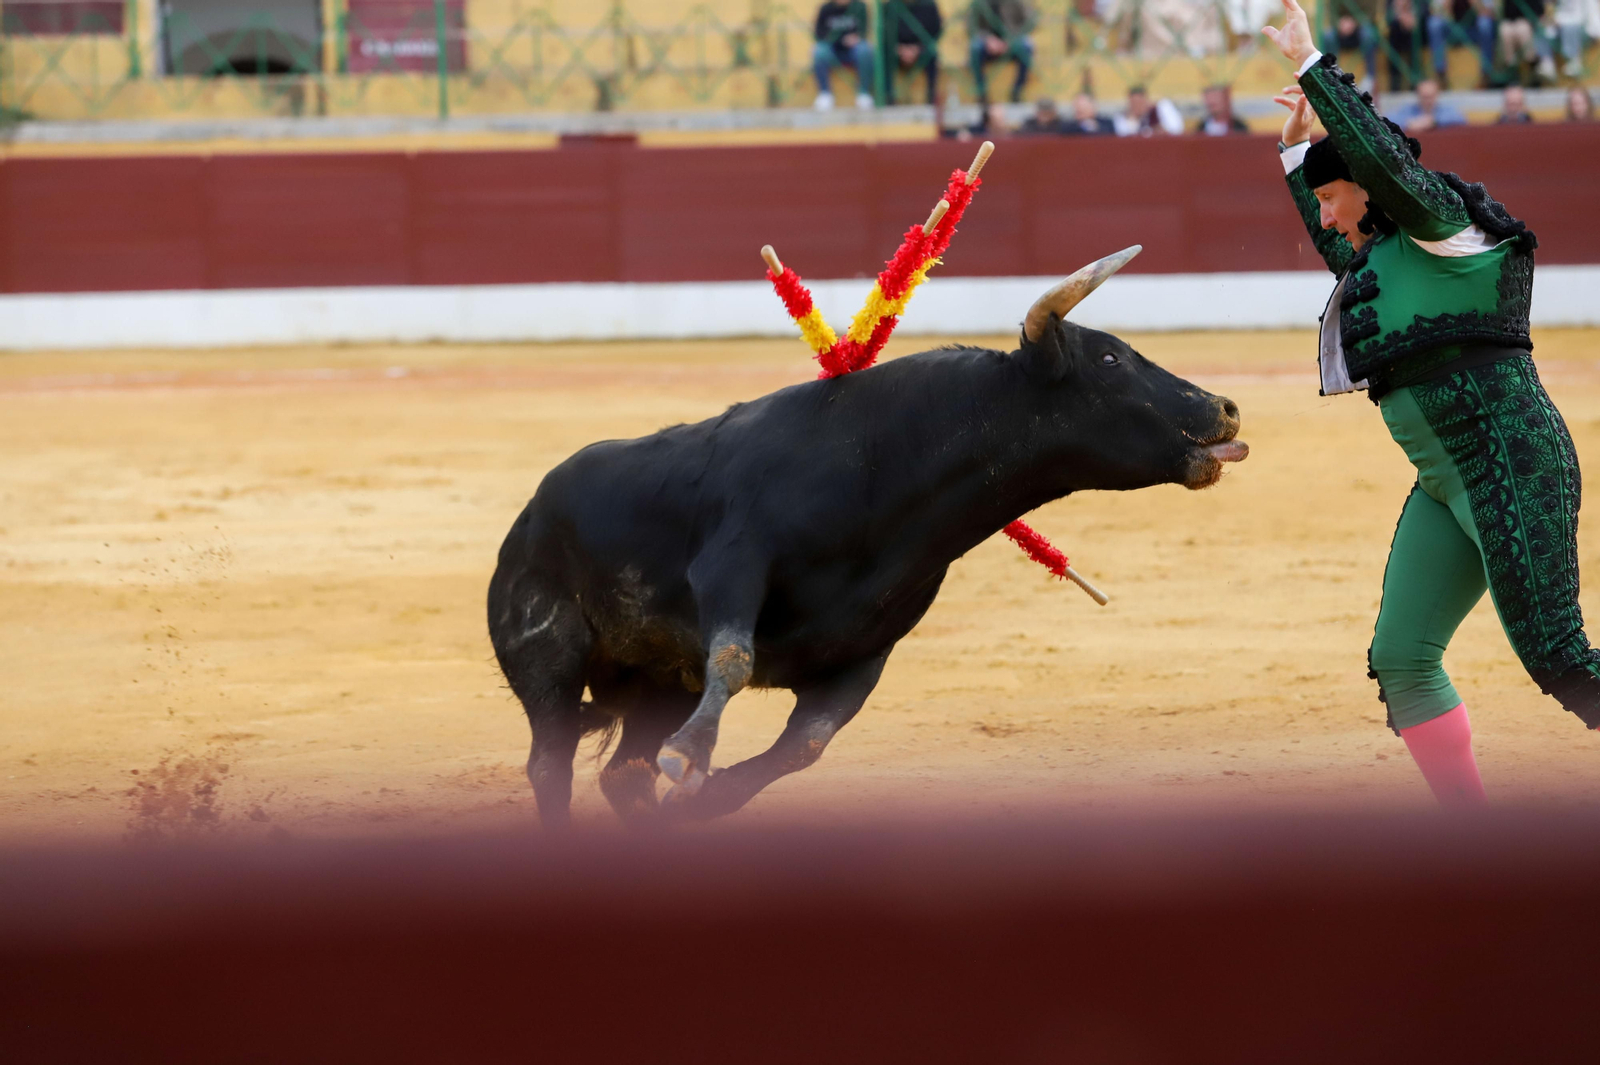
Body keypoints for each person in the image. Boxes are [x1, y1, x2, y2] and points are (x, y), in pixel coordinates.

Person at [1264, 0, 1600, 808]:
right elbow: (1337, 215)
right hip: (1444, 483)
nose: (1327, 218)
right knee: (1403, 657)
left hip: (1511, 465)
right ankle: (1471, 835)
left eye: (1333, 197)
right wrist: (1297, 148)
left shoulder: (1444, 225)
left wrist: (1315, 64)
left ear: (1367, 188)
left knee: (1558, 655)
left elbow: (1379, 161)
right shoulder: (1380, 255)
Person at [968, 0, 1037, 104]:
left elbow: (1030, 22)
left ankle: (1017, 90)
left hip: (1012, 42)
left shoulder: (1019, 2)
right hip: (988, 44)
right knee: (975, 47)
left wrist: (1010, 39)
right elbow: (971, 27)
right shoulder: (979, 3)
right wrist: (988, 39)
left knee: (1027, 46)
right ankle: (981, 91)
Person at [812, 1, 875, 111]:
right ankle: (825, 94)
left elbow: (864, 31)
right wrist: (841, 40)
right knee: (819, 50)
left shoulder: (860, 6)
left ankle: (863, 93)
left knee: (865, 49)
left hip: (853, 50)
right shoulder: (826, 8)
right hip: (832, 50)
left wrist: (856, 38)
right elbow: (819, 33)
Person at [1426, 0, 1497, 87]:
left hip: (1473, 30)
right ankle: (1440, 71)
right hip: (1450, 29)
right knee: (1434, 24)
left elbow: (1490, 13)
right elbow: (1434, 12)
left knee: (1485, 24)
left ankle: (1486, 71)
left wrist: (1475, 3)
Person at [888, 0, 943, 105]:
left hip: (921, 49)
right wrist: (899, 48)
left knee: (932, 53)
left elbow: (935, 32)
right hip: (897, 50)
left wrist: (917, 49)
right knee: (883, 56)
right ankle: (888, 95)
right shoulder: (891, 5)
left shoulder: (929, 5)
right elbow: (885, 33)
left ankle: (931, 96)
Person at [1498, 0, 1557, 83]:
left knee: (1522, 28)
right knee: (1504, 29)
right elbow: (1507, 13)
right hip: (1512, 21)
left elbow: (1538, 13)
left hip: (1528, 23)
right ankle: (1511, 67)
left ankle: (1532, 64)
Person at [1320, 10, 1381, 89]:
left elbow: (1369, 11)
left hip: (1359, 24)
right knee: (1328, 36)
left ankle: (1370, 77)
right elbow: (1331, 11)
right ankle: (1332, 73)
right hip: (1339, 26)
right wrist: (1340, 23)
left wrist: (1354, 22)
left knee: (1369, 36)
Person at [1390, 78, 1467, 129]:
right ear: (1418, 96)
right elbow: (1389, 120)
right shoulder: (1409, 110)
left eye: (1430, 96)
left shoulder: (1446, 110)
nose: (1428, 101)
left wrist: (1434, 122)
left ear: (1437, 95)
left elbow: (1461, 119)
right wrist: (1409, 123)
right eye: (1424, 97)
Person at [1111, 84, 1184, 135]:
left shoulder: (1161, 110)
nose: (1137, 106)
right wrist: (1133, 120)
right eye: (1134, 103)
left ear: (1146, 100)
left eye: (1140, 102)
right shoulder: (1122, 118)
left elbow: (1176, 130)